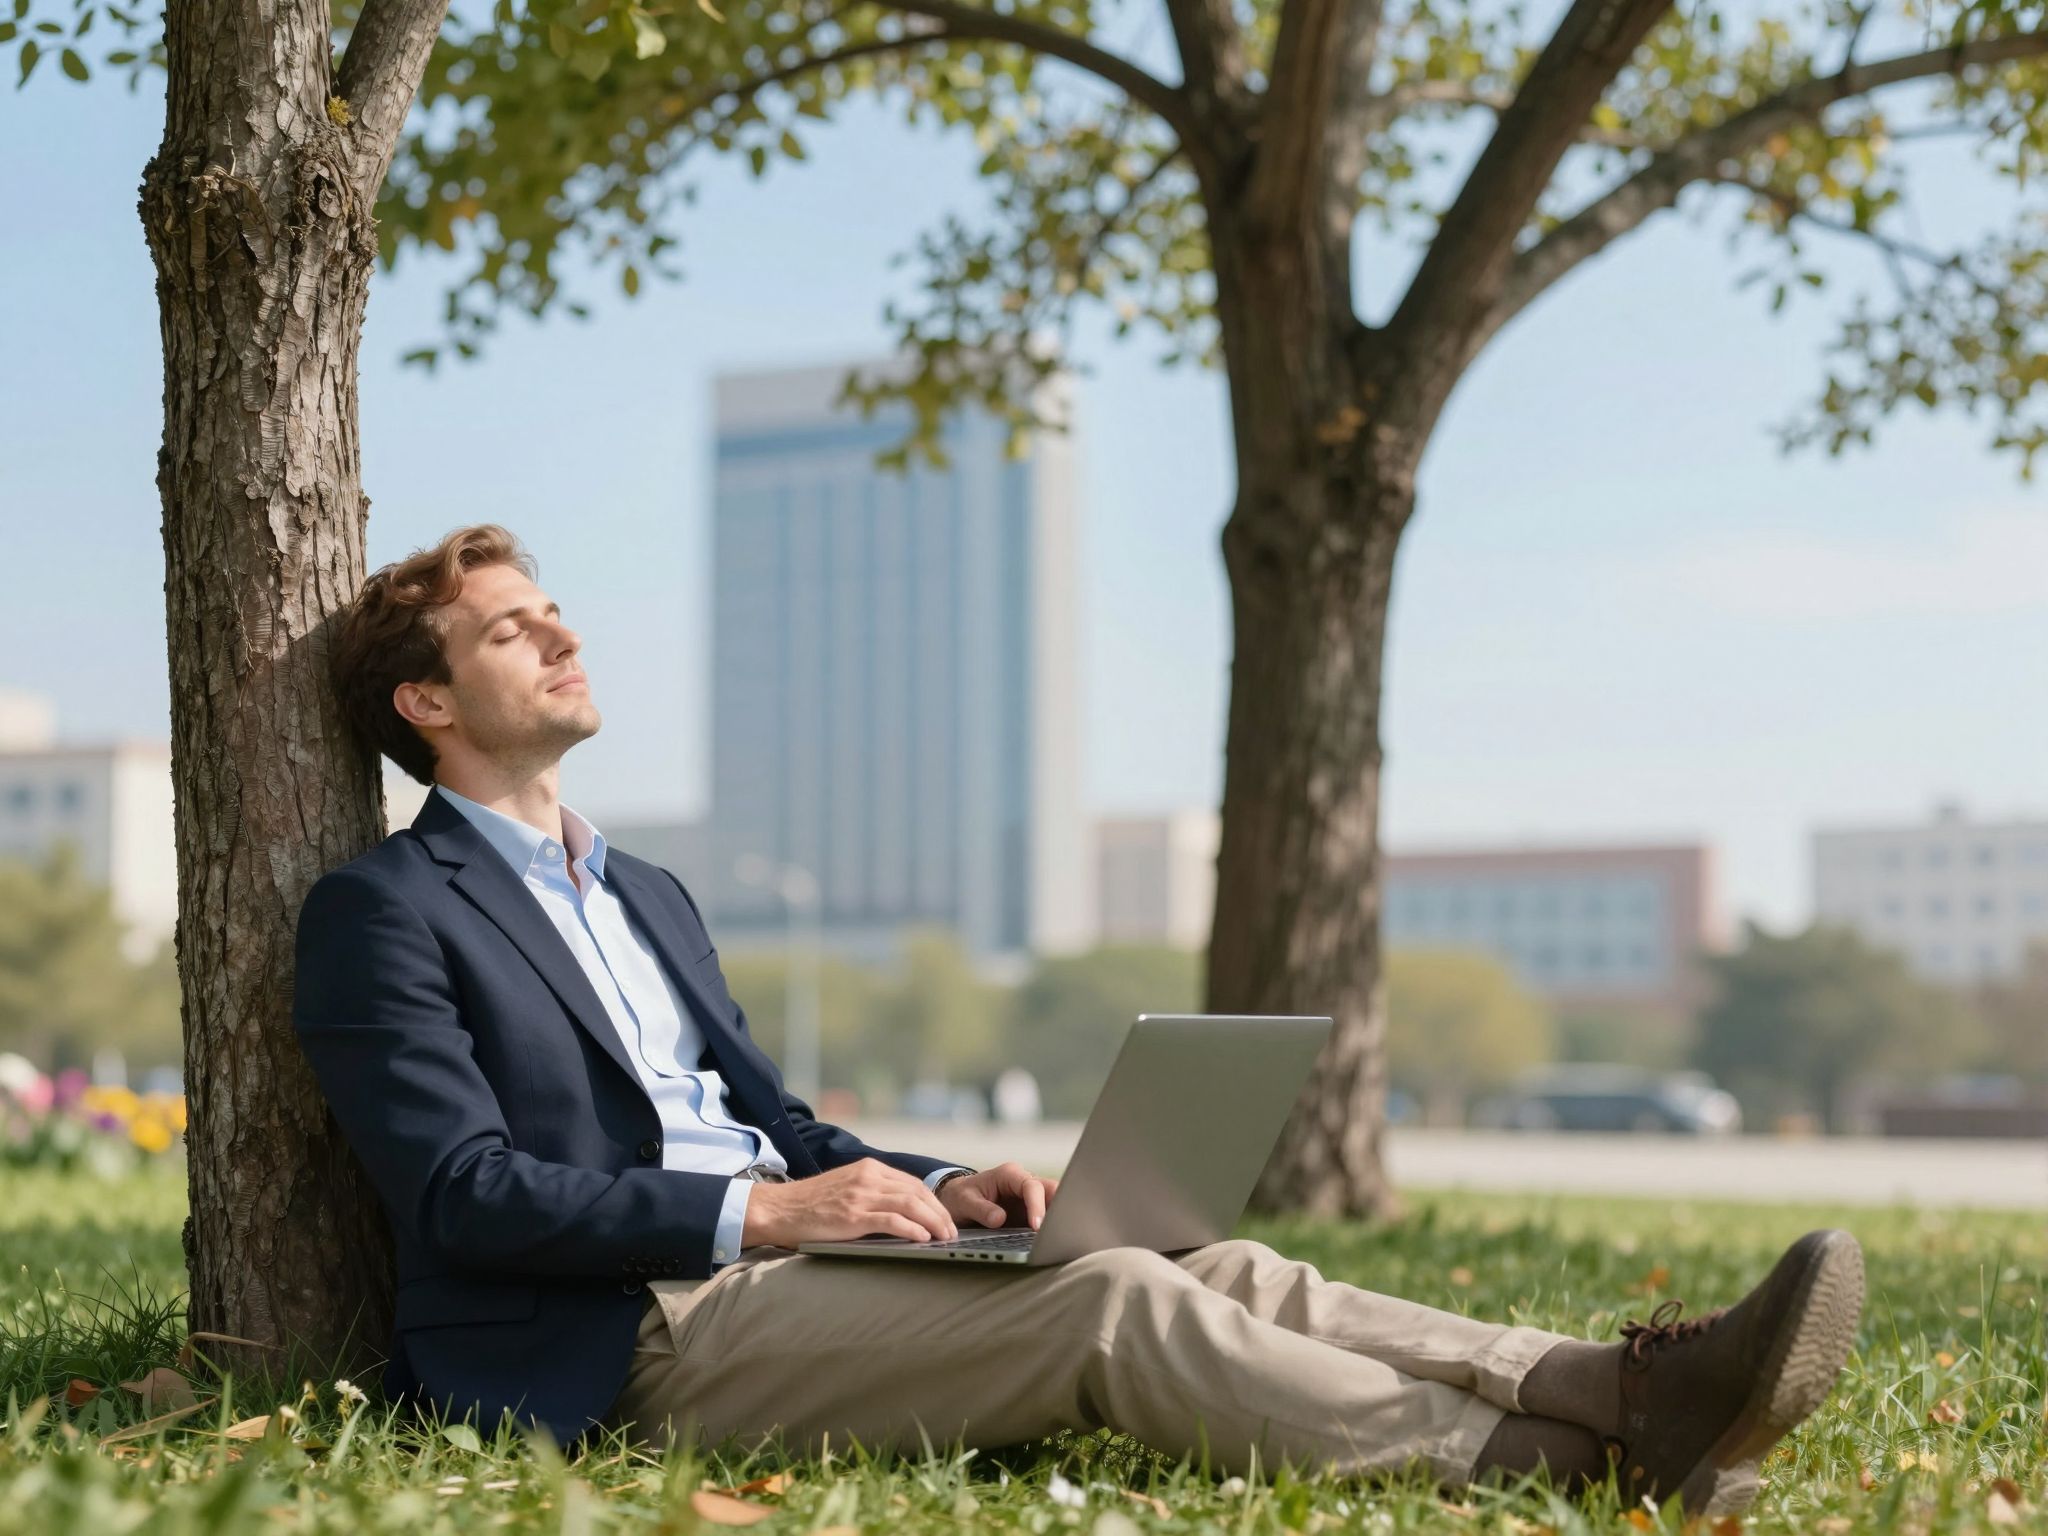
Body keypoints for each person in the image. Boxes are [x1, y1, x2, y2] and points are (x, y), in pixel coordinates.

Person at [295, 523, 1865, 1516]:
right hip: (632, 1338)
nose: (565, 637)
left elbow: (777, 1121)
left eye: (558, 610)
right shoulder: (387, 908)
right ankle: (1569, 1470)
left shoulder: (646, 891)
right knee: (1110, 1306)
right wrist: (766, 1213)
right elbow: (461, 1193)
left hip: (781, 1265)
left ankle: (1618, 1382)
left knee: (1213, 1258)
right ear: (426, 705)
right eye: (514, 629)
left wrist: (933, 1184)